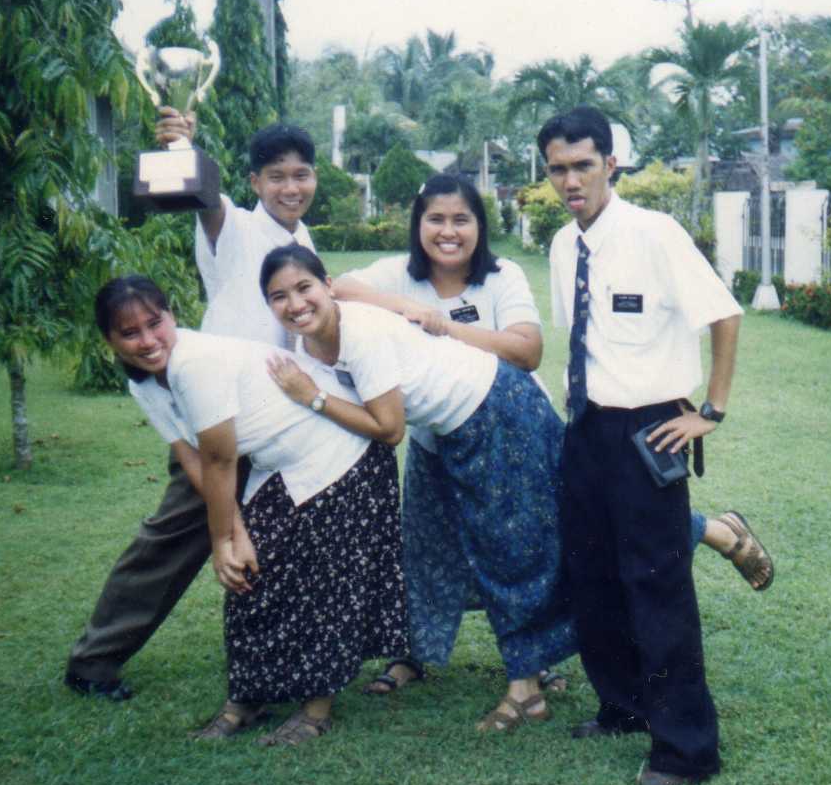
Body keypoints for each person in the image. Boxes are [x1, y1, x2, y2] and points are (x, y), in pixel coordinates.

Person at [331, 175, 772, 697]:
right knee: (427, 544)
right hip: (436, 434)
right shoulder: (397, 277)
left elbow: (526, 351)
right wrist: (404, 307)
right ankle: (413, 654)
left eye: (461, 220)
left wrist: (443, 327)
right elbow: (338, 288)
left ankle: (711, 534)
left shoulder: (501, 277)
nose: (448, 232)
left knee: (553, 534)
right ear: (417, 224)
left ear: (480, 226)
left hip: (512, 431)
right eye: (435, 219)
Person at [261, 244, 577, 732]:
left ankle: (526, 692)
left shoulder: (358, 335)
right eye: (279, 297)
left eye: (305, 288)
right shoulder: (309, 343)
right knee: (494, 540)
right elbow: (347, 288)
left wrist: (314, 397)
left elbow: (389, 430)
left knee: (514, 548)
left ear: (325, 285)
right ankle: (716, 533)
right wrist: (403, 306)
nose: (295, 304)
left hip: (499, 411)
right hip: (457, 429)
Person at [63, 115, 321, 701]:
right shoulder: (235, 230)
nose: (290, 188)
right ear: (254, 183)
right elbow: (206, 196)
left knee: (293, 537)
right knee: (174, 542)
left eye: (301, 176)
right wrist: (182, 143)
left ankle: (299, 657)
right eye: (276, 177)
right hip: (214, 422)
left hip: (276, 422)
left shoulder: (301, 240)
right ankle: (95, 659)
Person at [95, 275, 408, 744]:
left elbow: (222, 459)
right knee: (251, 580)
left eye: (154, 324)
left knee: (323, 584)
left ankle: (315, 709)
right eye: (130, 333)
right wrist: (234, 531)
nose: (147, 340)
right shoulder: (142, 379)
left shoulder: (192, 363)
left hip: (342, 456)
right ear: (110, 341)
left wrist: (224, 539)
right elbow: (193, 458)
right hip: (280, 463)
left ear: (171, 317)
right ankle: (247, 699)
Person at [542, 106, 743, 785]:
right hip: (588, 427)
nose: (571, 180)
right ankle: (623, 706)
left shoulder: (655, 234)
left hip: (649, 427)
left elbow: (724, 312)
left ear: (611, 164)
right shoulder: (563, 244)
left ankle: (687, 749)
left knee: (657, 584)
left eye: (582, 165)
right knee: (594, 578)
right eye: (557, 169)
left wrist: (709, 410)